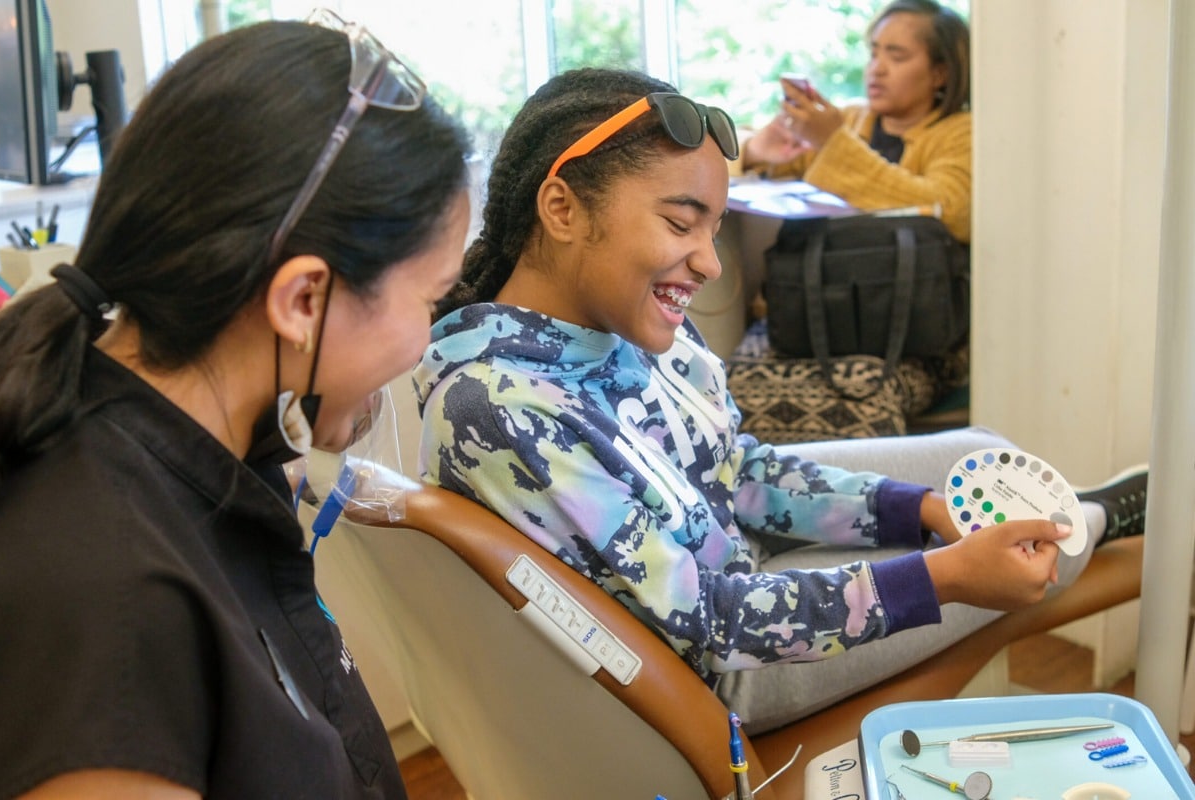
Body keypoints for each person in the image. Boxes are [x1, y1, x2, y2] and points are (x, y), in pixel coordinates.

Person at [414, 66, 1147, 735]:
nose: (707, 260)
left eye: (713, 227)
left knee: (976, 457)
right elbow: (708, 622)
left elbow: (740, 473)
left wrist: (920, 511)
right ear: (562, 208)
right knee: (1045, 557)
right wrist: (948, 574)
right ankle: (1096, 517)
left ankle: (1058, 508)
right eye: (680, 222)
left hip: (740, 559)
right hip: (730, 669)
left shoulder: (620, 322)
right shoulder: (500, 408)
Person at [0, 12, 471, 800]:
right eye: (431, 297)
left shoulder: (207, 467)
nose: (426, 341)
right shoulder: (110, 601)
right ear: (303, 298)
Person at [736, 0, 971, 243]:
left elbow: (951, 210)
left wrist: (833, 142)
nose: (876, 69)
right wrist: (755, 150)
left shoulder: (962, 131)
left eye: (897, 57)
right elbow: (739, 154)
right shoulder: (849, 118)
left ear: (939, 74)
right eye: (873, 53)